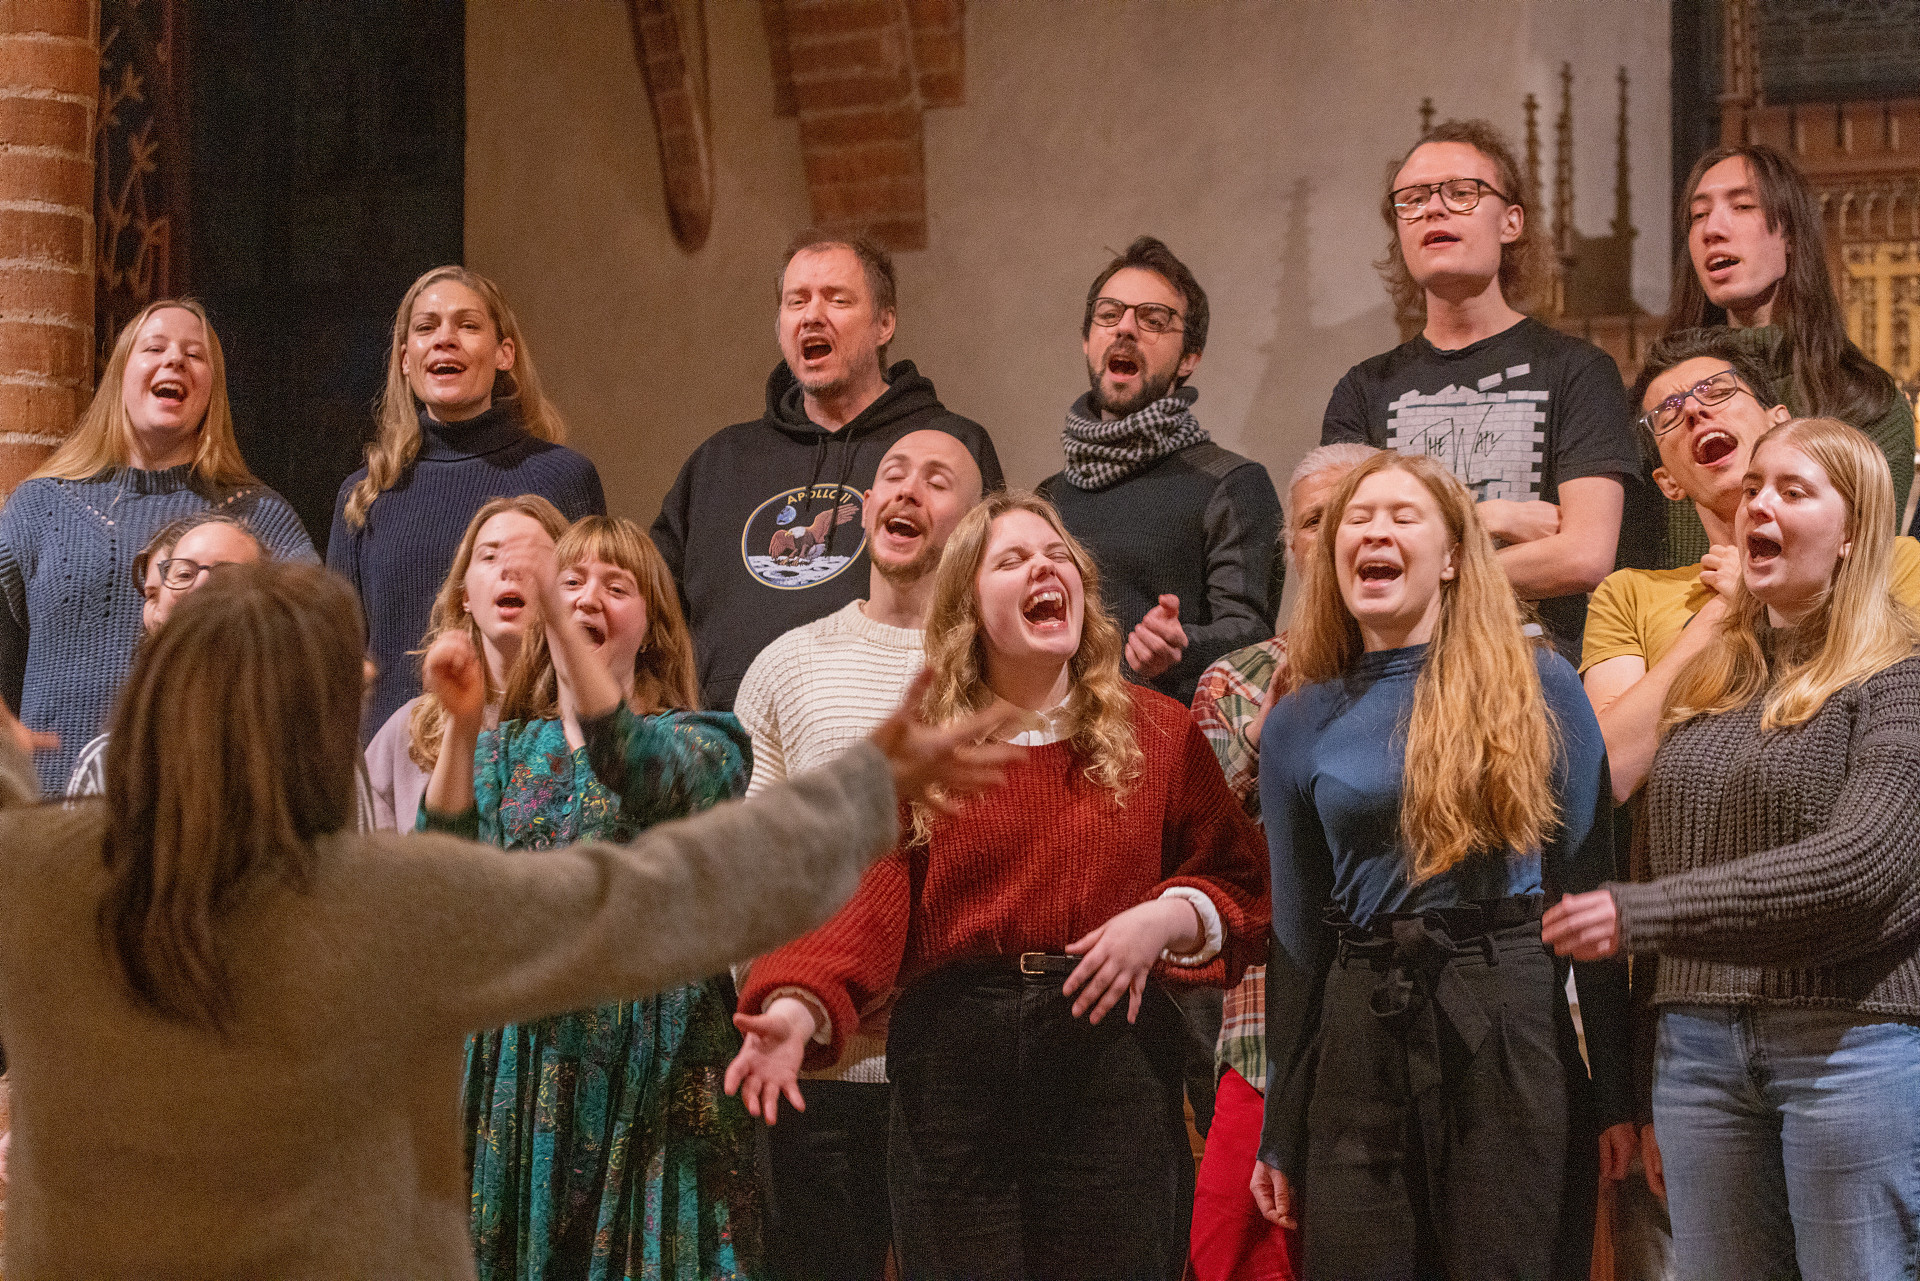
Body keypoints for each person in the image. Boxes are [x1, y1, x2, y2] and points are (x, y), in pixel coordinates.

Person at [0, 559, 1019, 1278]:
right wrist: (862, 788)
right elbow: (669, 894)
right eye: (350, 684)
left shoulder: (34, 877)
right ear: (313, 731)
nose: (370, 686)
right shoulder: (381, 903)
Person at [730, 491, 1271, 1280]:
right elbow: (857, 902)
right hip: (955, 1073)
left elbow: (1240, 881)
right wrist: (792, 1006)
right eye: (1012, 560)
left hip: (1111, 1058)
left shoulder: (1158, 730)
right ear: (968, 609)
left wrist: (1163, 917)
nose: (1044, 569)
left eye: (1057, 556)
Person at [1547, 417, 1920, 1281]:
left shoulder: (1899, 676)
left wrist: (1646, 914)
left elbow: (1861, 867)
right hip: (1698, 1054)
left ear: (1854, 529)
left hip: (1847, 1043)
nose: (1760, 504)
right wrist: (1646, 1069)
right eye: (1755, 487)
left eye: (1794, 490)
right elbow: (1647, 842)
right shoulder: (1714, 678)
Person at [1252, 451, 1633, 1279]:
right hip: (1360, 1027)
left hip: (1506, 1015)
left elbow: (1589, 892)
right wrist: (1280, 1126)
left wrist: (1617, 1094)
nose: (1374, 532)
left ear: (1454, 555)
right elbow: (1297, 943)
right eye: (1356, 518)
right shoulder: (1298, 720)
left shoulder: (1537, 684)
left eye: (1402, 515)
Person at [417, 515, 762, 1277]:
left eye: (616, 585)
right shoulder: (510, 747)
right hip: (525, 1067)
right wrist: (463, 728)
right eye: (571, 582)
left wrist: (556, 608)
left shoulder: (709, 740)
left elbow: (632, 762)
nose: (587, 597)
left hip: (658, 1066)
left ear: (654, 625)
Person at [731, 428, 985, 1281]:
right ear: (868, 507)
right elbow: (751, 869)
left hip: (956, 1069)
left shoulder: (994, 673)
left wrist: (925, 995)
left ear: (973, 523)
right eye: (893, 475)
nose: (908, 490)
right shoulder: (787, 664)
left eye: (937, 480)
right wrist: (795, 994)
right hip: (819, 1069)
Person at [1322, 118, 1643, 660]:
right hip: (1402, 669)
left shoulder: (1577, 370)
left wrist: (1419, 571)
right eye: (1412, 199)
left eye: (1461, 192)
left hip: (1533, 667)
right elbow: (1344, 560)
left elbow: (1584, 556)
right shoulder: (1363, 389)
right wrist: (1495, 519)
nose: (1433, 209)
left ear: (1511, 221)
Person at [651, 229, 1002, 712]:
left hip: (893, 731)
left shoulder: (949, 448)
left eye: (837, 300)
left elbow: (992, 598)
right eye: (796, 301)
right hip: (728, 741)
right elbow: (652, 607)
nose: (812, 315)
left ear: (884, 323)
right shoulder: (720, 461)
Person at [1184, 441, 1375, 1281]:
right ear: (1291, 546)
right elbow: (1210, 856)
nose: (1331, 536)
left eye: (1354, 513)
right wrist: (1273, 734)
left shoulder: (1444, 674)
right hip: (1267, 1032)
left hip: (1398, 1026)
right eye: (1312, 520)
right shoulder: (1237, 681)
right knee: (1231, 1254)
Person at [0, 299, 314, 791]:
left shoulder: (259, 516)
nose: (174, 360)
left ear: (213, 390)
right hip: (50, 805)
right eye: (155, 348)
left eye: (195, 354)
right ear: (120, 375)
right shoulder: (40, 506)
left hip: (195, 803)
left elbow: (316, 652)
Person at [328, 265, 605, 741]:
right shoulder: (365, 495)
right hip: (397, 757)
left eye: (467, 325)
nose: (444, 339)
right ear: (405, 359)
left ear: (504, 353)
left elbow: (592, 631)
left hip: (532, 752)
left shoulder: (563, 478)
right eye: (426, 327)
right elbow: (339, 662)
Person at [1038, 235, 1282, 708]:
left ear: (1190, 358)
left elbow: (1253, 635)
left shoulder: (1232, 484)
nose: (1125, 328)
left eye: (1154, 320)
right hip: (1055, 734)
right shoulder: (1048, 498)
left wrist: (1182, 645)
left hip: (1165, 736)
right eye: (1109, 314)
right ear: (1087, 340)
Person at [1663, 143, 1913, 561]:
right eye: (1699, 215)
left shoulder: (1865, 402)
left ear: (1791, 235)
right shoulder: (1667, 406)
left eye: (1742, 207)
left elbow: (1866, 569)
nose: (1712, 230)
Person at [361, 495, 570, 832]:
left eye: (531, 558)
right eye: (490, 556)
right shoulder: (408, 734)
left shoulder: (585, 729)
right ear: (466, 596)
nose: (509, 569)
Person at [64, 511, 267, 798]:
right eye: (184, 574)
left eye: (226, 574)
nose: (201, 586)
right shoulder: (113, 761)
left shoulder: (305, 748)